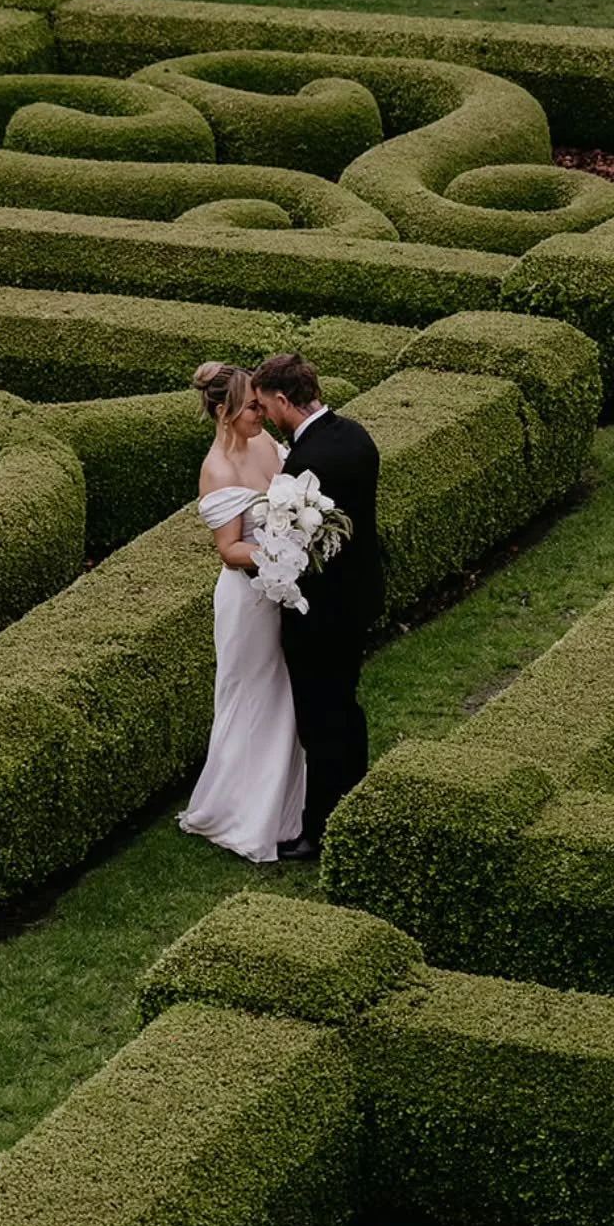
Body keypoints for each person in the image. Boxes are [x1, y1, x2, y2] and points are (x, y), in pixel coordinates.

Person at [251, 351, 384, 861]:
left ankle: (322, 828)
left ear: (284, 400)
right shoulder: (355, 435)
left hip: (321, 612)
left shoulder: (309, 462)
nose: (265, 415)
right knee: (346, 708)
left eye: (267, 405)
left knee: (320, 720)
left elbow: (296, 549)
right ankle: (355, 802)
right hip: (359, 598)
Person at [177, 362, 305, 862]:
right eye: (253, 406)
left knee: (285, 694)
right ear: (225, 410)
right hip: (247, 599)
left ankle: (284, 809)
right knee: (249, 695)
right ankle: (239, 812)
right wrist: (282, 553)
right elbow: (229, 549)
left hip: (281, 590)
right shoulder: (218, 468)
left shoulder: (267, 446)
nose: (261, 413)